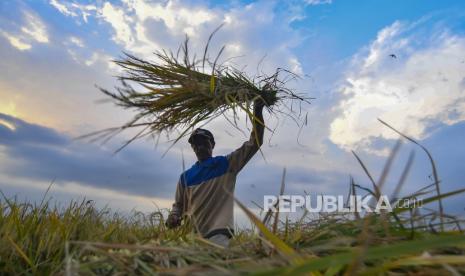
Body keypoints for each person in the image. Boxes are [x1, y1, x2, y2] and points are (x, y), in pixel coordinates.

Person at [166, 99, 265, 247]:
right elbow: (179, 205)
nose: (200, 147)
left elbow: (254, 142)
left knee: (214, 267)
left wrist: (257, 112)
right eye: (196, 144)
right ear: (192, 148)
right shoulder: (185, 177)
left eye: (204, 143)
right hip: (192, 236)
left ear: (212, 145)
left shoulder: (226, 164)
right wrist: (173, 216)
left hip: (217, 233)